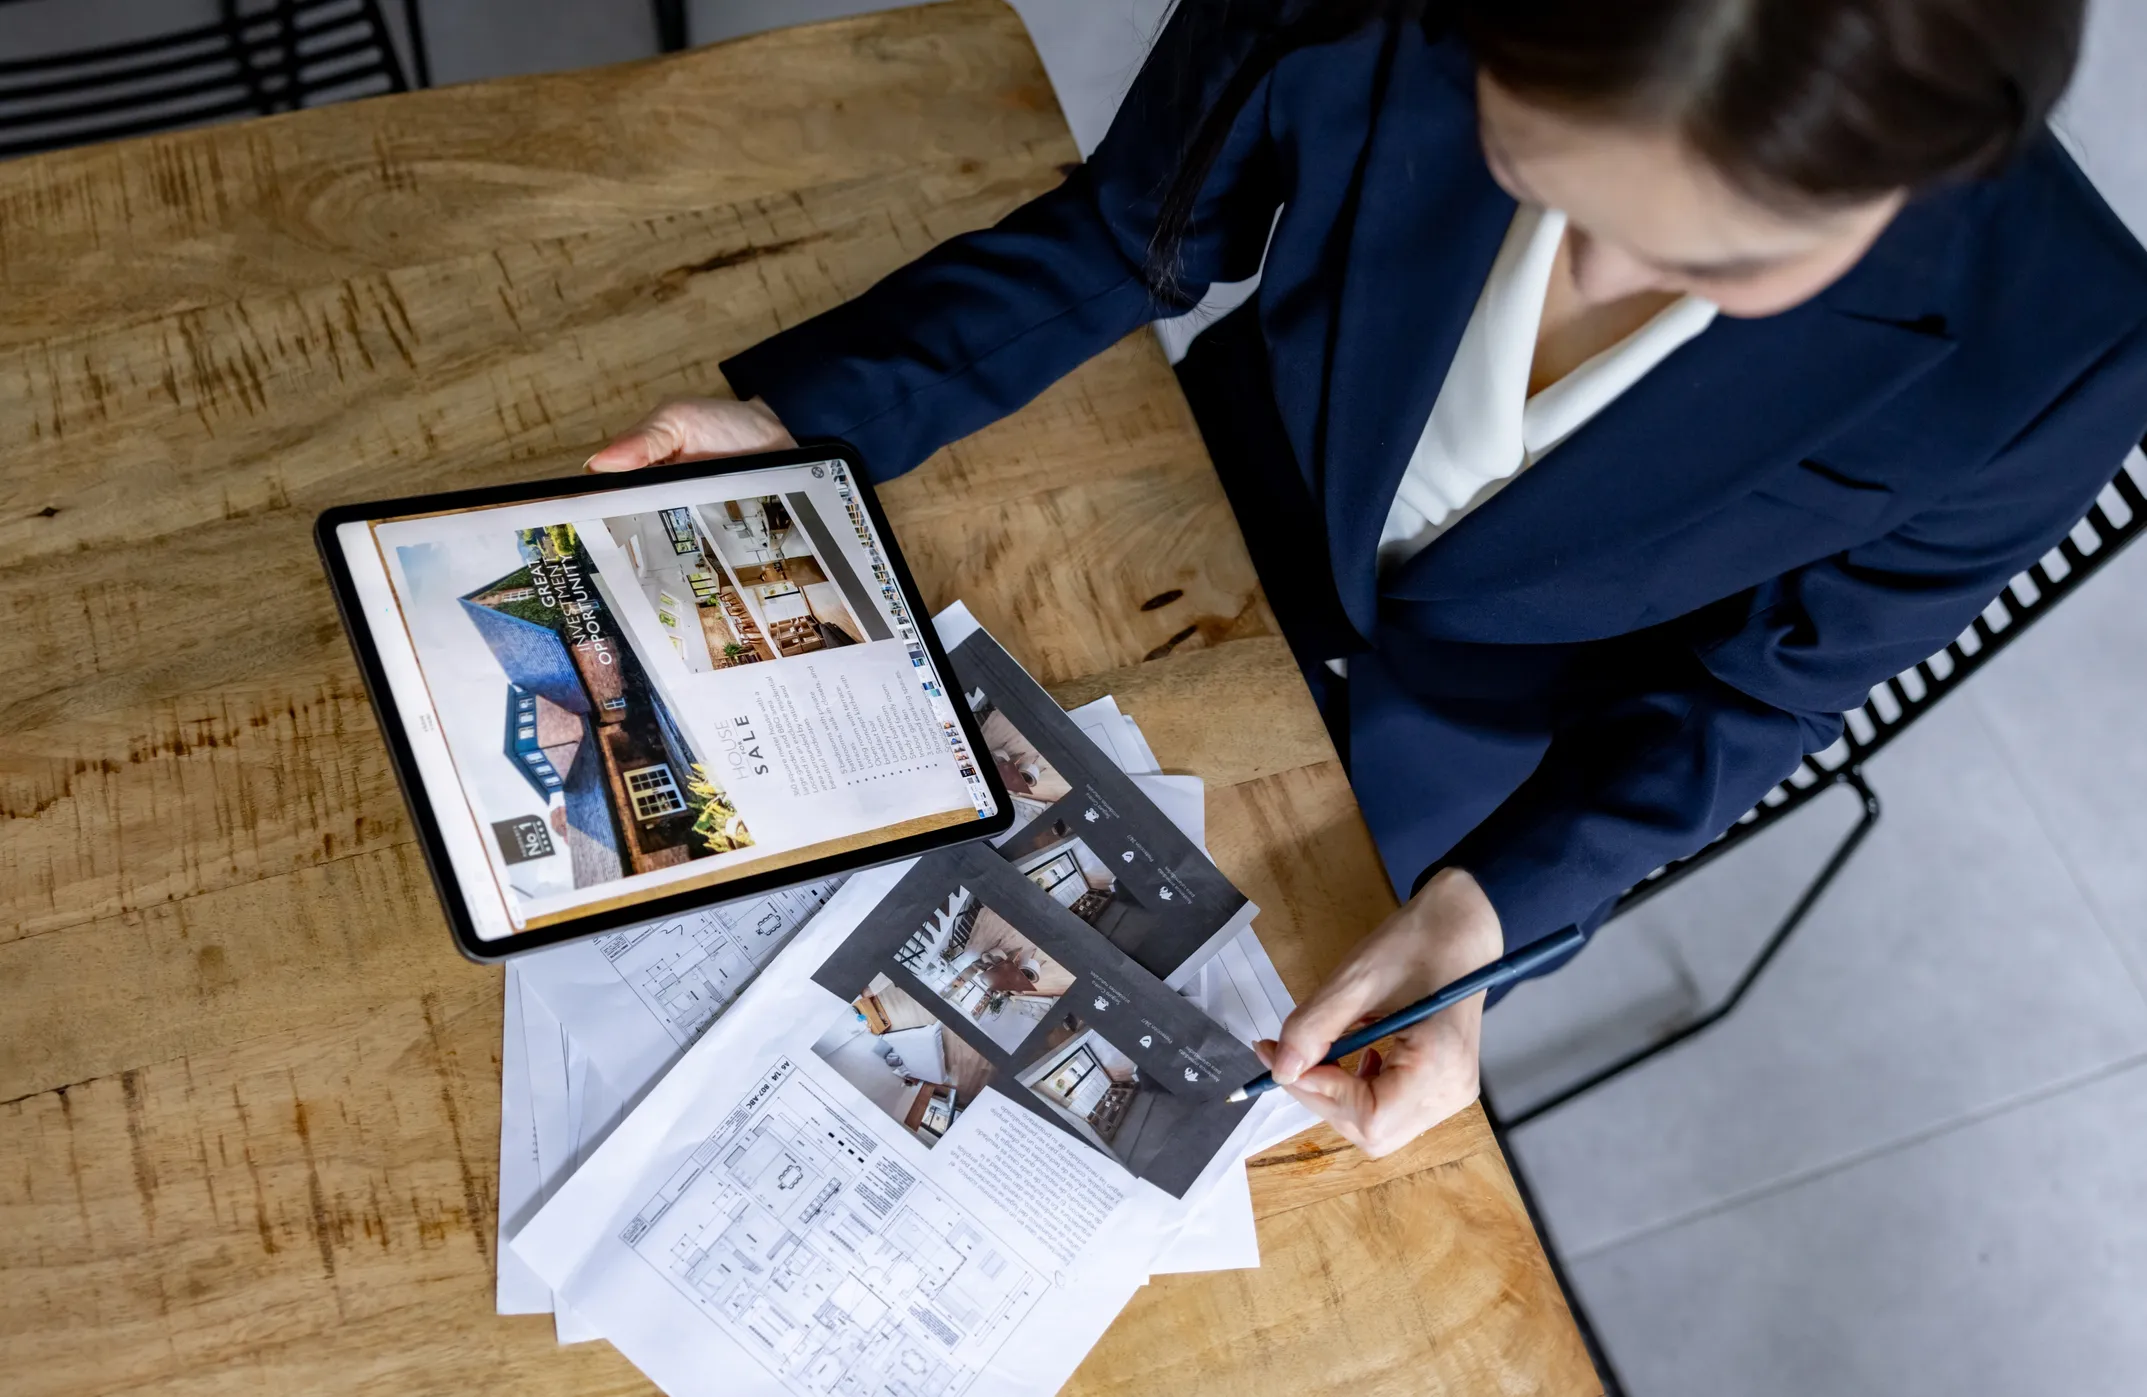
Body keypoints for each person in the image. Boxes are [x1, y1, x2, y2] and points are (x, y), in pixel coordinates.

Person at [584, 0, 2147, 1159]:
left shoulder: (2072, 355)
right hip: (1208, 507)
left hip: (1484, 749)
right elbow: (1140, 226)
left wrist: (1488, 917)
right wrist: (802, 420)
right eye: (1543, 177)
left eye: (1714, 267)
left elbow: (1755, 691)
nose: (1592, 287)